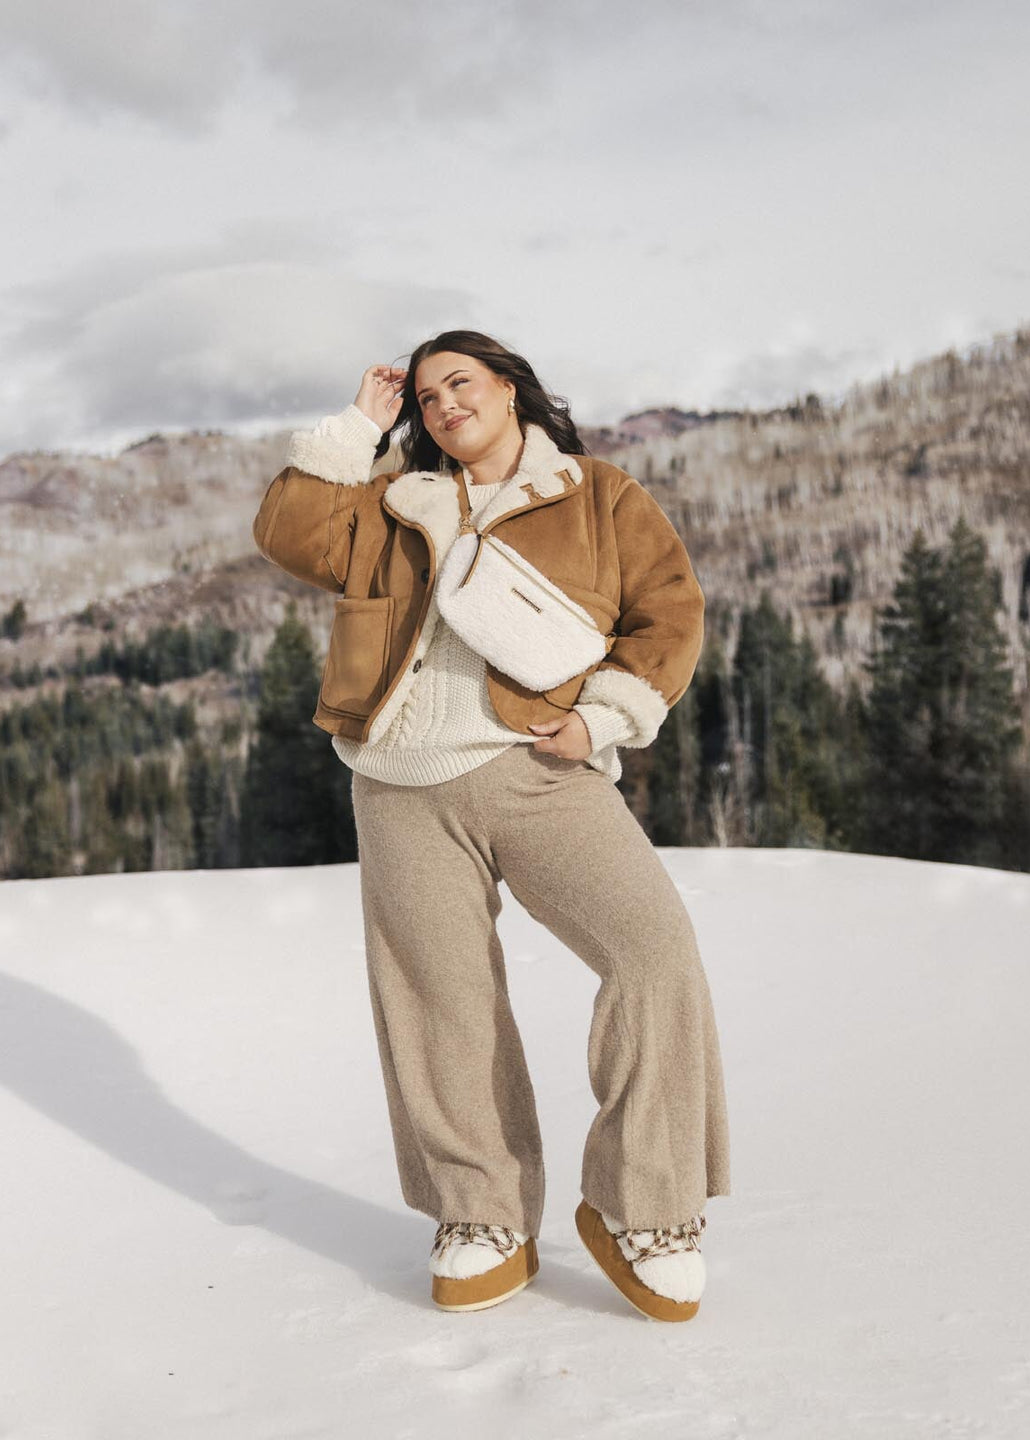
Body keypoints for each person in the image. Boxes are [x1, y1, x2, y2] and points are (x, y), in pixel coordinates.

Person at [252, 329, 731, 1321]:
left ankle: (646, 1207)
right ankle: (482, 1216)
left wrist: (603, 716)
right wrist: (359, 427)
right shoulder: (392, 503)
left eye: (458, 383)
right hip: (398, 786)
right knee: (440, 1000)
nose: (442, 407)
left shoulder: (597, 495)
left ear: (509, 387)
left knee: (655, 953)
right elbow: (289, 534)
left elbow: (668, 610)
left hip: (539, 772)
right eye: (425, 398)